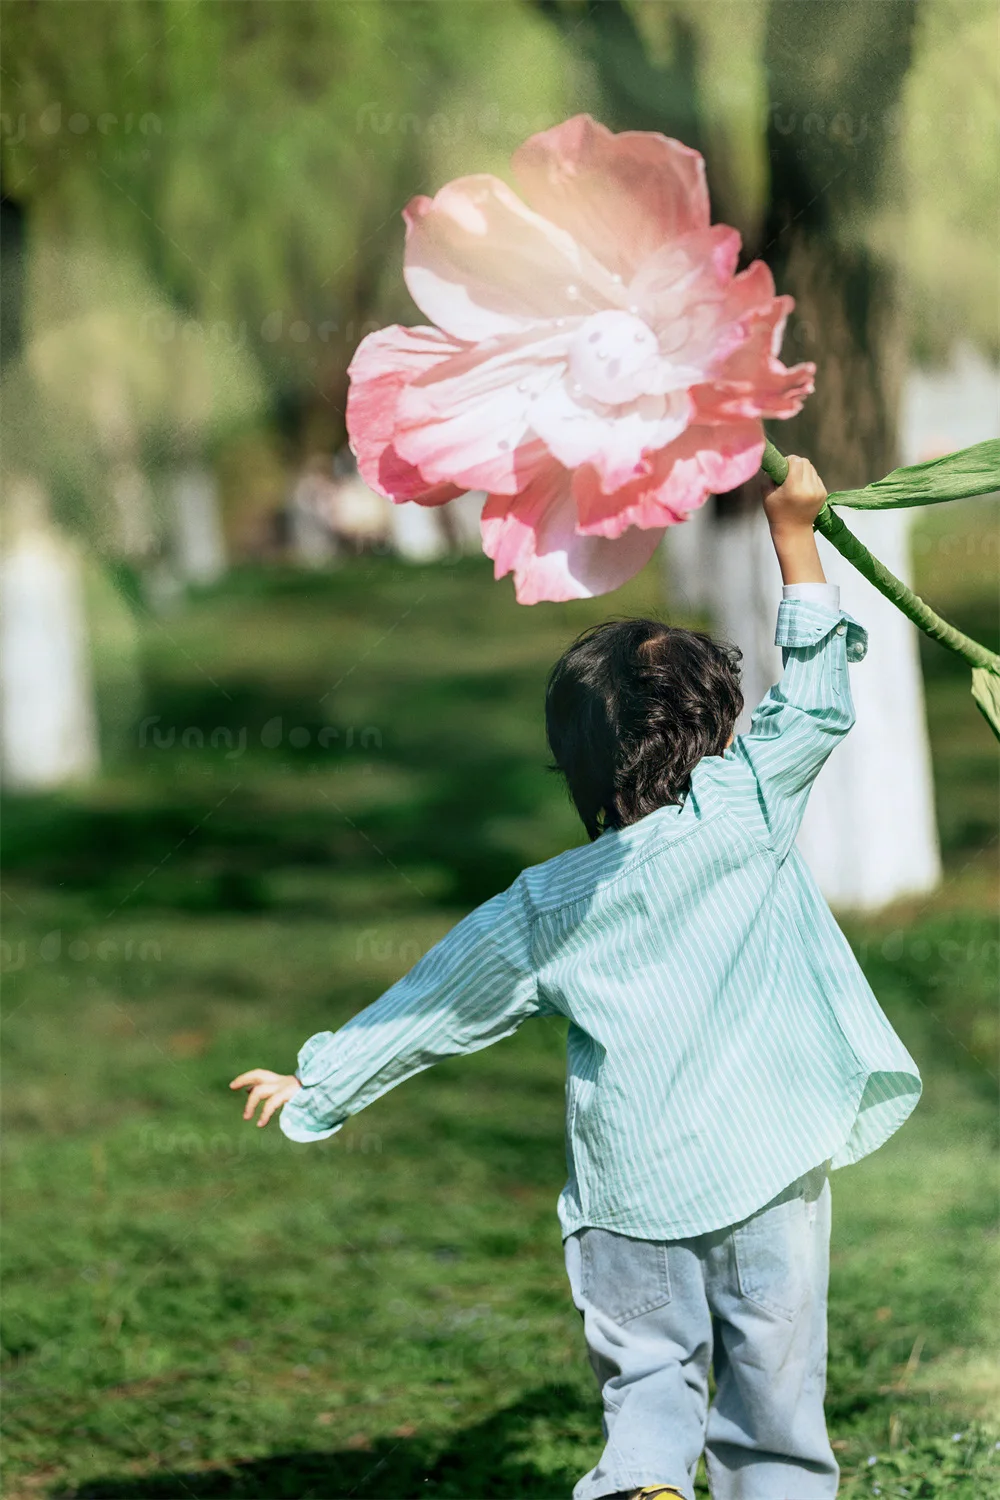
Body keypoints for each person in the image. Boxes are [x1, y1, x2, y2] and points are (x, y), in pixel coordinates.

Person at [231, 457, 921, 1500]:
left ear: (577, 764)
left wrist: (319, 1085)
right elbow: (818, 706)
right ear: (717, 723)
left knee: (648, 1388)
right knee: (773, 1412)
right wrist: (792, 536)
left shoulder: (546, 903)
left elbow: (437, 998)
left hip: (632, 1195)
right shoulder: (745, 811)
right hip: (769, 1171)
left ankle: (645, 1485)